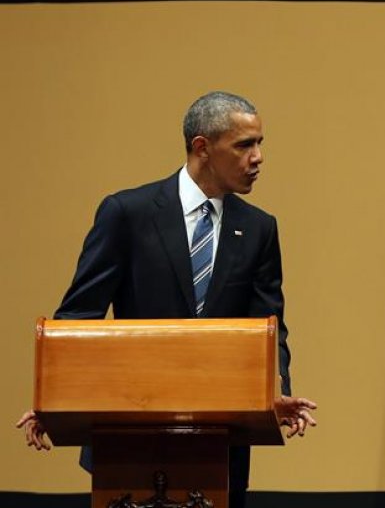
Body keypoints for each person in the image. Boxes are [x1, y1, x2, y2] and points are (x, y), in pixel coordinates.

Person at [15, 91, 317, 508]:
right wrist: (52, 402)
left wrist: (276, 390)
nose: (258, 157)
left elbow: (268, 327)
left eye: (260, 143)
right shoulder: (127, 213)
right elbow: (77, 318)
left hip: (221, 444)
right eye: (245, 144)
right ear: (202, 147)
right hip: (129, 441)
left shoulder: (259, 228)